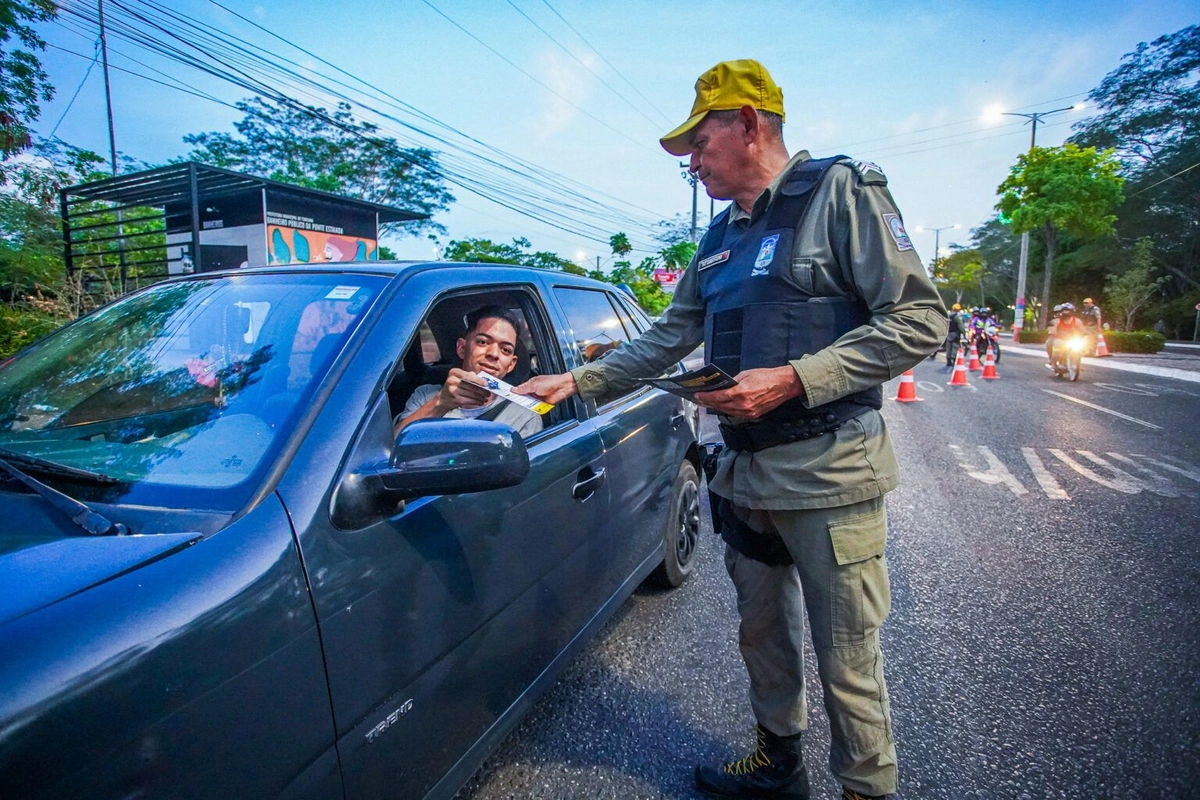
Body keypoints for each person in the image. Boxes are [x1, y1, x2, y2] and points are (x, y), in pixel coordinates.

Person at [517, 59, 945, 800]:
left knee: (847, 657)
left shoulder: (841, 192)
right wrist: (575, 382)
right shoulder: (719, 237)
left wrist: (794, 378)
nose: (691, 164)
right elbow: (666, 338)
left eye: (699, 143)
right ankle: (779, 762)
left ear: (749, 123)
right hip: (744, 473)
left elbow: (919, 320)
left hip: (830, 471)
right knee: (762, 635)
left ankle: (866, 790)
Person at [396, 305, 542, 439]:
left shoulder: (524, 415)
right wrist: (441, 403)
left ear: (511, 364)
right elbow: (390, 448)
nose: (494, 354)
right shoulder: (425, 395)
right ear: (462, 348)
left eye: (505, 350)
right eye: (483, 342)